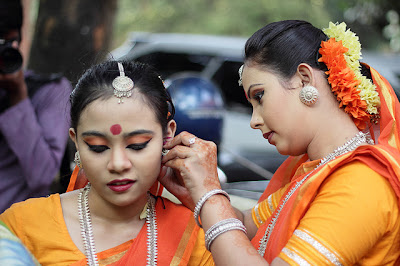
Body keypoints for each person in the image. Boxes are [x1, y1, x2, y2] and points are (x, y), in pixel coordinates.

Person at [159, 20, 400, 265]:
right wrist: (199, 194)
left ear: (304, 79)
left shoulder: (361, 182)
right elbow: (248, 225)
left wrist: (211, 196)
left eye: (260, 96)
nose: (254, 121)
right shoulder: (315, 169)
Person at [0, 60, 214, 265]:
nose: (118, 164)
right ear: (76, 142)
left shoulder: (196, 236)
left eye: (137, 145)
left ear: (167, 136)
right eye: (98, 147)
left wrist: (209, 200)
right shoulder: (23, 226)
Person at [0, 0, 72, 212]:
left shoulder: (49, 91)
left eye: (6, 41)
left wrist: (18, 97)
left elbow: (43, 175)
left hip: (15, 235)